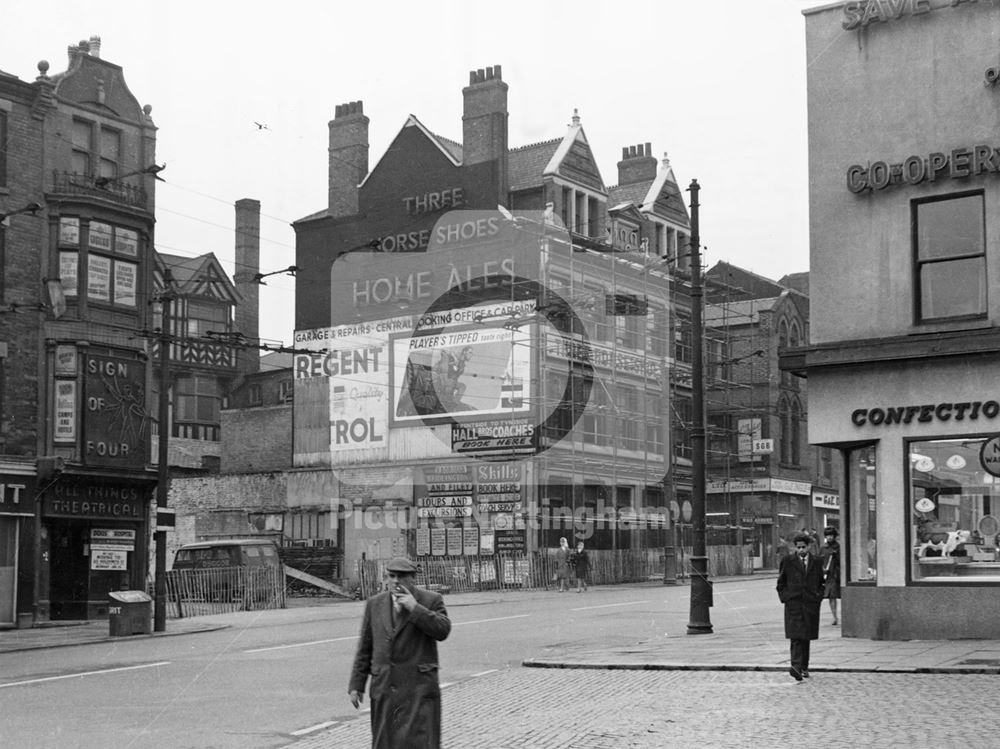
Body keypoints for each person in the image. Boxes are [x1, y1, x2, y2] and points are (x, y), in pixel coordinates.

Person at [348, 557, 452, 748]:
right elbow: (365, 647)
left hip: (418, 690)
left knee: (419, 743)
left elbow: (443, 630)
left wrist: (415, 608)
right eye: (392, 576)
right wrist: (357, 685)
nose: (396, 581)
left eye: (402, 576)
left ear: (412, 578)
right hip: (385, 689)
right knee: (385, 742)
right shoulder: (375, 604)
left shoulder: (430, 600)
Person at [776, 532, 825, 681]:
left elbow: (820, 582)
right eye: (798, 547)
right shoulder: (788, 561)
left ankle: (804, 667)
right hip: (794, 604)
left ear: (809, 546)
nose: (801, 550)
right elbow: (781, 583)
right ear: (795, 547)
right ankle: (796, 667)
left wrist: (818, 598)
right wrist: (786, 598)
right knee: (796, 636)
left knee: (806, 637)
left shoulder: (816, 562)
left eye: (804, 547)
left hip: (810, 604)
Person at [820, 526, 841, 626]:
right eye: (827, 536)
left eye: (831, 535)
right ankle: (835, 617)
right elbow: (819, 561)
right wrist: (822, 570)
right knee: (831, 596)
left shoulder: (839, 547)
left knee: (840, 595)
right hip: (828, 575)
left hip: (837, 574)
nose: (829, 537)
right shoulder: (823, 548)